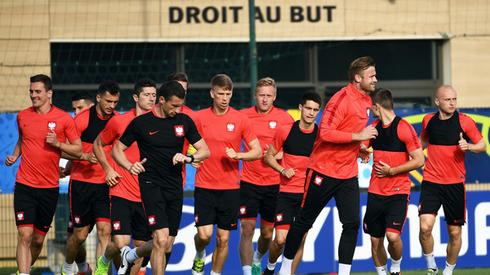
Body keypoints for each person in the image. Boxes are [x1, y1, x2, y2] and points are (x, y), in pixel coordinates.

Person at [278, 56, 378, 275]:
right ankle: (285, 269)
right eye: (371, 76)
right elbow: (325, 132)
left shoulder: (367, 101)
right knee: (304, 221)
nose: (375, 79)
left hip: (348, 174)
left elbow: (351, 135)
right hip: (323, 171)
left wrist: (360, 147)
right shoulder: (340, 99)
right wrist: (358, 136)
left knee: (352, 224)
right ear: (357, 78)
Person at [112, 80, 210, 275]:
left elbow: (205, 151)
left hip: (174, 186)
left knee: (166, 244)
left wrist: (189, 157)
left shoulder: (184, 121)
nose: (177, 110)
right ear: (162, 100)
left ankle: (131, 255)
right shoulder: (141, 123)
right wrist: (129, 166)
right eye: (173, 106)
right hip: (150, 184)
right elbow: (117, 149)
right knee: (161, 238)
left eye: (180, 106)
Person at [5, 74, 82, 275]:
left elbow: (78, 150)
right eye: (31, 91)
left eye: (37, 91)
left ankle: (24, 267)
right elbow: (24, 140)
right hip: (25, 185)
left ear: (49, 93)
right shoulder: (23, 116)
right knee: (24, 234)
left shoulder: (64, 118)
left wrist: (58, 144)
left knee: (38, 240)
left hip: (49, 188)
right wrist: (14, 155)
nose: (33, 95)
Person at [191, 74, 262, 275]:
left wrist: (239, 155)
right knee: (204, 236)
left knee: (223, 239)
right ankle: (199, 255)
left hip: (230, 189)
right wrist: (193, 158)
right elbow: (186, 145)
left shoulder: (240, 119)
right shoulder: (199, 118)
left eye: (228, 94)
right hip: (204, 186)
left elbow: (256, 151)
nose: (224, 98)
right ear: (212, 93)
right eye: (221, 93)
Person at [418, 85, 486, 275]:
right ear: (437, 101)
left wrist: (469, 147)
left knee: (454, 233)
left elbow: (482, 144)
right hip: (431, 181)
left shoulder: (465, 122)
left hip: (455, 184)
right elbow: (422, 142)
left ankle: (448, 271)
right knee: (425, 227)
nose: (452, 103)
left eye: (454, 99)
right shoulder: (428, 120)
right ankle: (431, 264)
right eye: (448, 99)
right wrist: (413, 155)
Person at [92, 79, 157, 275]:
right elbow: (98, 144)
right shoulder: (120, 121)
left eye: (154, 95)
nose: (151, 98)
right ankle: (104, 260)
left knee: (138, 249)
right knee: (120, 243)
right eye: (147, 94)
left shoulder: (159, 123)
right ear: (136, 97)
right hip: (121, 191)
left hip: (146, 194)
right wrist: (108, 170)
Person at [362, 88, 424, 275]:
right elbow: (361, 147)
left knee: (393, 236)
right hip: (375, 192)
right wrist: (362, 152)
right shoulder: (374, 127)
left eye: (371, 107)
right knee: (375, 240)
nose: (370, 110)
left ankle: (396, 268)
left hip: (398, 192)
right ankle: (382, 273)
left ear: (377, 106)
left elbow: (419, 160)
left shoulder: (404, 127)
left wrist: (391, 171)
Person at [62, 81, 120, 275]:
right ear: (98, 98)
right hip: (82, 184)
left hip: (106, 184)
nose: (112, 105)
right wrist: (82, 157)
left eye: (115, 102)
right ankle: (68, 267)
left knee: (105, 231)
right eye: (108, 101)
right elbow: (62, 148)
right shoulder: (82, 120)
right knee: (79, 236)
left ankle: (100, 272)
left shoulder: (117, 121)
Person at [239, 77, 294, 275]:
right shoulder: (243, 116)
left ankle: (257, 258)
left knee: (267, 233)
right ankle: (248, 272)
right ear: (255, 95)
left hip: (274, 184)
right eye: (261, 95)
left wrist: (279, 155)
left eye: (268, 96)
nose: (264, 99)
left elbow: (293, 147)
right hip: (248, 182)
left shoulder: (285, 118)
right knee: (247, 228)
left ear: (275, 97)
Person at [262, 92, 321, 275]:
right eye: (308, 108)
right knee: (280, 240)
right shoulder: (285, 131)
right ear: (301, 108)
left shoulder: (321, 136)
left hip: (308, 195)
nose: (311, 113)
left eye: (315, 110)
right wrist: (282, 170)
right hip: (286, 193)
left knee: (300, 240)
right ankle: (271, 268)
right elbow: (268, 156)